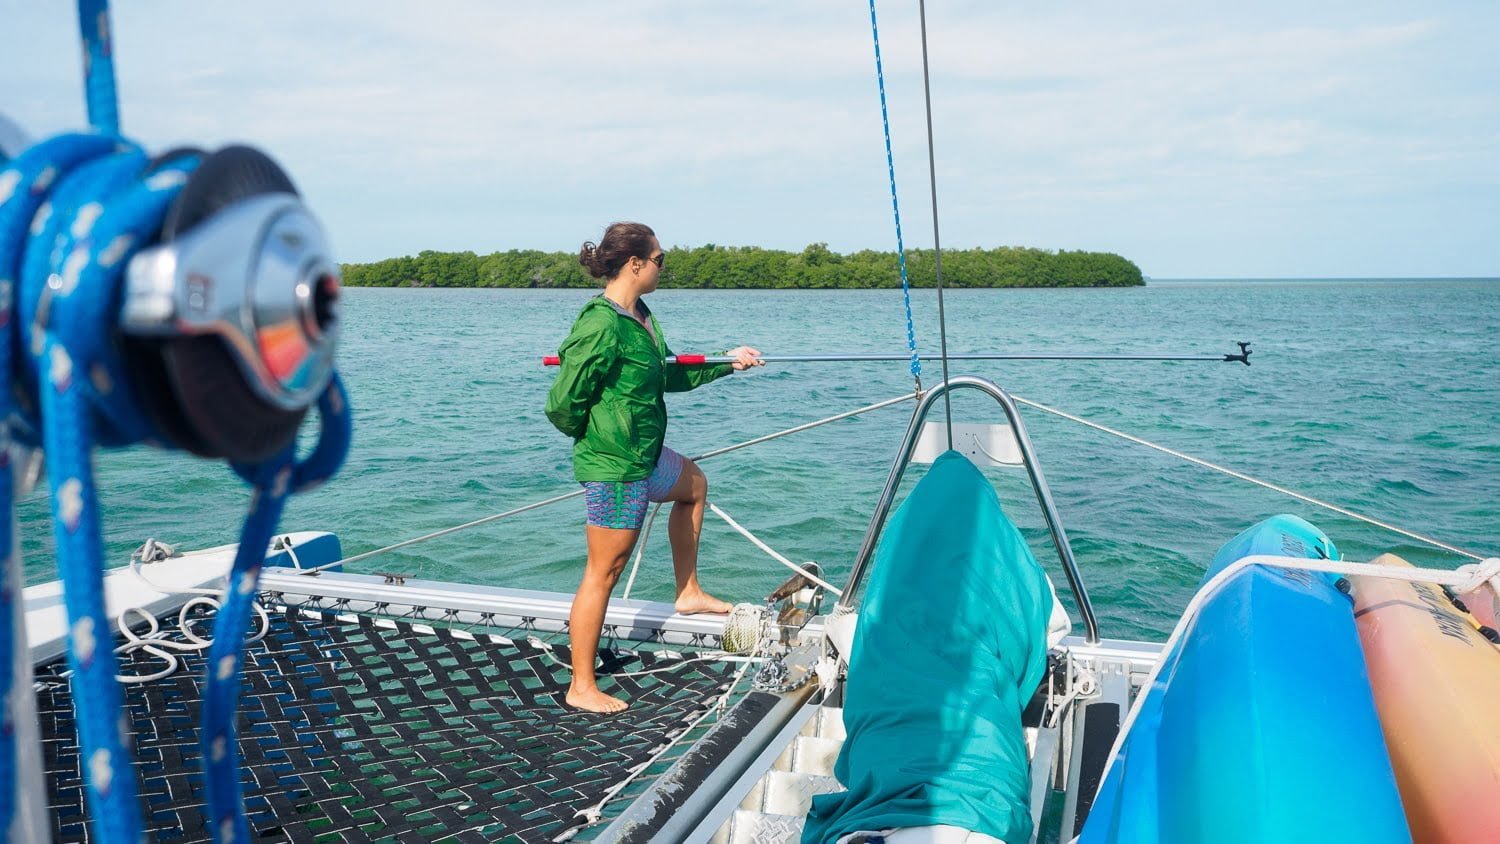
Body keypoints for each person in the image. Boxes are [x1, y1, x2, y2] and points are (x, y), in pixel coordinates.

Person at [545, 222, 763, 713]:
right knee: (605, 571)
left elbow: (668, 373)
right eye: (660, 259)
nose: (665, 266)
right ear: (635, 264)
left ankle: (687, 592)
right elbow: (561, 404)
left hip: (647, 456)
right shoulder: (599, 323)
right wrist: (603, 437)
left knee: (694, 485)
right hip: (616, 466)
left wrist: (729, 362)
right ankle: (581, 685)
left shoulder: (640, 315)